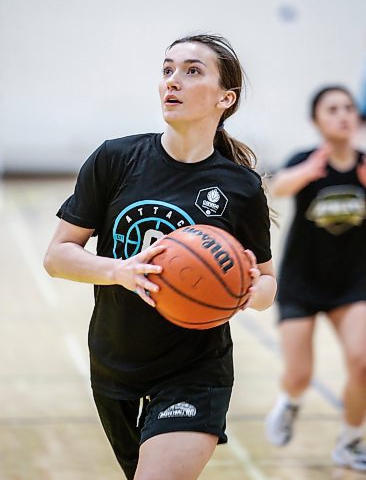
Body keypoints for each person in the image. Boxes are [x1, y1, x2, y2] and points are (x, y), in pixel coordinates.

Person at [44, 33, 276, 480]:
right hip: (115, 363)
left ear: (225, 98)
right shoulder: (116, 159)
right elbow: (57, 256)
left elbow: (267, 285)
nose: (173, 81)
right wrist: (120, 270)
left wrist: (249, 291)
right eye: (167, 69)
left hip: (195, 368)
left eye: (192, 71)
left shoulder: (240, 188)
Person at [265, 85, 366, 472]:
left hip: (352, 283)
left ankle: (351, 441)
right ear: (316, 121)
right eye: (332, 109)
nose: (342, 115)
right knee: (299, 374)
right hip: (302, 282)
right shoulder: (306, 160)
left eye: (347, 108)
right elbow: (277, 187)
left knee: (361, 362)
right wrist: (306, 173)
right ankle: (289, 403)